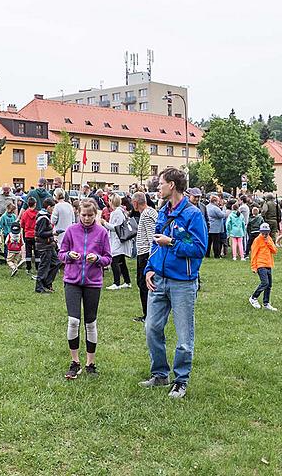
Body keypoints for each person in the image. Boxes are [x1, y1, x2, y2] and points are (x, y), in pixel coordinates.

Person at [140, 167, 207, 399]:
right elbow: (156, 243)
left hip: (182, 284)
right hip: (159, 280)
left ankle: (181, 380)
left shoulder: (192, 215)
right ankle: (160, 374)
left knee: (183, 336)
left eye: (160, 184)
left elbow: (198, 248)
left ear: (172, 185)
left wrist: (172, 243)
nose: (157, 188)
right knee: (151, 328)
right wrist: (149, 268)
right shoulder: (162, 212)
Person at [58, 198, 112, 379]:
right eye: (83, 215)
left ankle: (91, 363)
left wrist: (97, 259)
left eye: (90, 215)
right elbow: (61, 254)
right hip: (72, 281)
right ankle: (75, 362)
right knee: (73, 321)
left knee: (90, 323)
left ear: (95, 214)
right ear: (78, 214)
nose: (87, 218)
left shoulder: (102, 233)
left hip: (92, 283)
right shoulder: (71, 231)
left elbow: (108, 258)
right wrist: (69, 256)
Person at [132, 192, 158, 323]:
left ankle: (148, 315)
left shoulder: (147, 215)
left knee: (143, 284)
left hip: (145, 254)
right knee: (143, 284)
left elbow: (152, 236)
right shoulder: (151, 211)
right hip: (145, 253)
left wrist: (150, 259)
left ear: (135, 203)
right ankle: (149, 314)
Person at [103, 193, 133, 290]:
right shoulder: (120, 211)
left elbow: (117, 228)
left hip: (118, 240)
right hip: (118, 240)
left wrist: (105, 223)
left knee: (114, 261)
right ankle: (127, 281)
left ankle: (116, 283)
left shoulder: (117, 213)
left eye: (110, 200)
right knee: (121, 262)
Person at [248, 223, 278, 311]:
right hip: (260, 265)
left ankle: (266, 303)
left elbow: (274, 250)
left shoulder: (269, 239)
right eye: (263, 233)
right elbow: (253, 254)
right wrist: (254, 267)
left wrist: (268, 242)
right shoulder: (257, 240)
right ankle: (253, 297)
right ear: (260, 232)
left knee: (269, 285)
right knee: (265, 283)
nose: (265, 235)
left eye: (267, 233)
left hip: (268, 264)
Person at [34, 198, 60, 293]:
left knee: (56, 262)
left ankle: (47, 283)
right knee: (44, 266)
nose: (53, 210)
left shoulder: (44, 216)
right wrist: (53, 233)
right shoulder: (43, 218)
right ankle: (39, 287)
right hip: (44, 246)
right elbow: (40, 233)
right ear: (48, 207)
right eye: (52, 208)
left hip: (49, 245)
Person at [20, 197, 39, 275]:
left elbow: (22, 224)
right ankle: (38, 267)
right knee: (37, 252)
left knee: (28, 252)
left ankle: (28, 268)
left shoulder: (25, 213)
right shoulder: (37, 213)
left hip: (27, 235)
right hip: (35, 235)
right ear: (35, 204)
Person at [206, 195, 226, 259]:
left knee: (208, 242)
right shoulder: (215, 208)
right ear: (214, 201)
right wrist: (224, 209)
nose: (218, 202)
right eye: (218, 201)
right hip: (216, 228)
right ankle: (216, 255)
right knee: (216, 242)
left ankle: (207, 254)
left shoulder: (207, 207)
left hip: (209, 227)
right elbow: (222, 215)